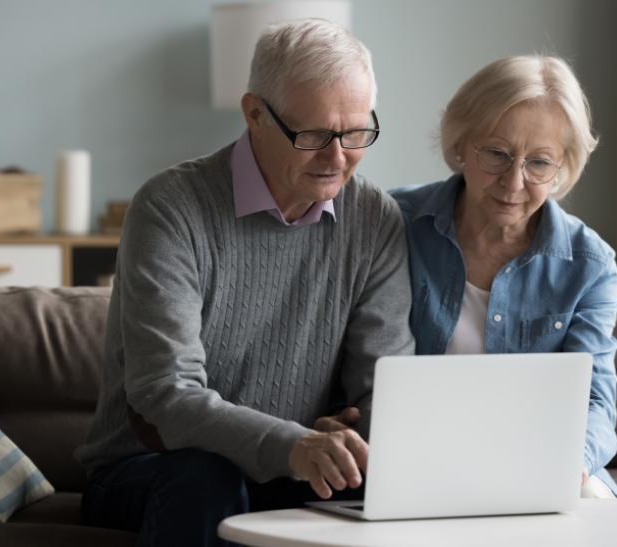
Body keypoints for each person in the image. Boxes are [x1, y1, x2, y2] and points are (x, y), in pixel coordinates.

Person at [75, 19, 414, 546]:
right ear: (255, 114)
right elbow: (166, 393)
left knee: (390, 485)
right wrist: (293, 444)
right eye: (315, 135)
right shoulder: (171, 208)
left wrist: (353, 437)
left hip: (297, 471)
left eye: (356, 133)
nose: (338, 157)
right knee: (207, 477)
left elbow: (384, 385)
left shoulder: (375, 219)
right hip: (152, 469)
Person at [391, 55, 617, 497]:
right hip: (419, 457)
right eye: (496, 154)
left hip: (540, 461)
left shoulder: (589, 264)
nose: (513, 182)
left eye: (539, 163)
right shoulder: (396, 223)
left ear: (562, 168)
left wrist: (571, 463)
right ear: (461, 145)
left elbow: (597, 401)